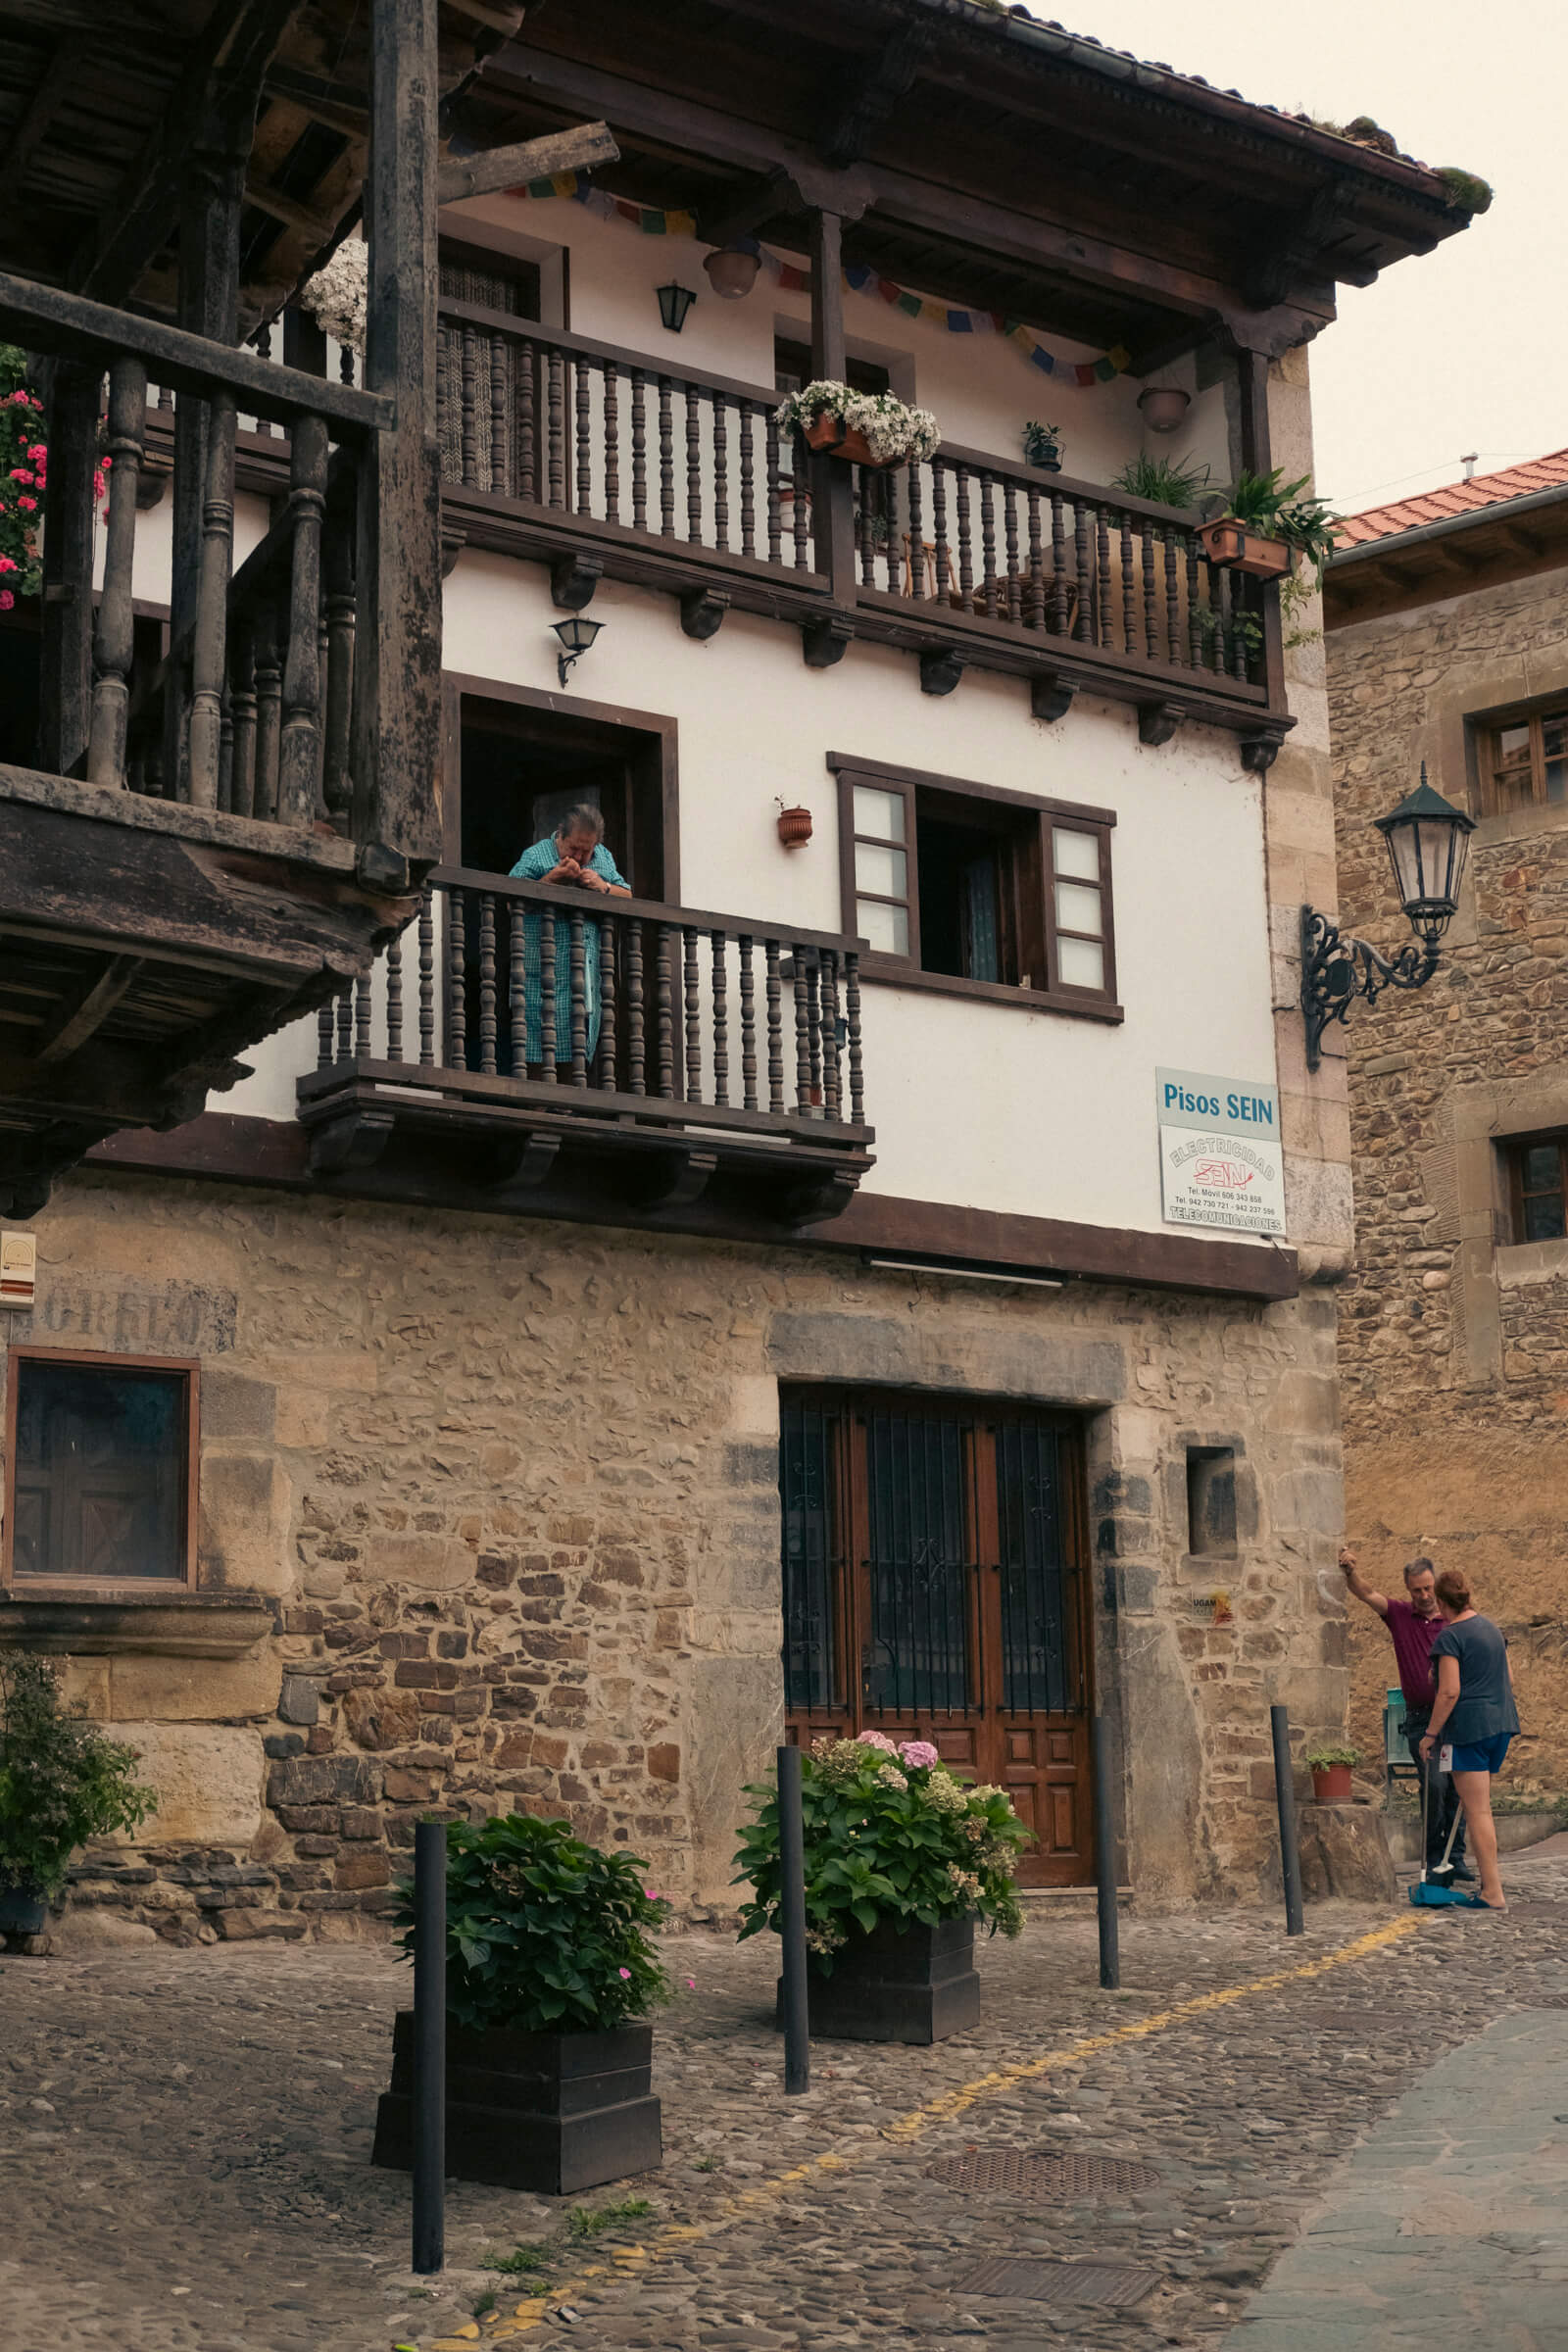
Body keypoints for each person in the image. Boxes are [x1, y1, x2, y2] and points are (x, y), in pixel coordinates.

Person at [1340, 1546, 1470, 1883]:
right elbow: (1366, 1593)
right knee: (1435, 1783)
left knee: (1457, 1785)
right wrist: (1350, 1571)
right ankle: (1432, 1857)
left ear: (1436, 1585)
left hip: (1454, 1717)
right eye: (1417, 1590)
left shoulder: (1453, 1620)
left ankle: (1454, 1857)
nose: (1425, 1596)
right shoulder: (1399, 1615)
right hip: (1419, 1720)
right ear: (1408, 1589)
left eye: (1429, 1588)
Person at [1420, 1569, 1520, 1913]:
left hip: (1468, 1730)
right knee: (1481, 1808)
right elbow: (1507, 1677)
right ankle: (1489, 1884)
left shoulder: (1449, 1637)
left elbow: (1449, 1691)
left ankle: (1492, 1891)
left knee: (1478, 1812)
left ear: (1442, 1602)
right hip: (1501, 1725)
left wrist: (1430, 1734)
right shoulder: (1493, 1630)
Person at [510, 806, 630, 1068]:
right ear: (560, 836)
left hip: (583, 970)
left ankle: (568, 1108)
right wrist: (552, 879)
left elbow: (628, 896)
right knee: (537, 1043)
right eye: (574, 849)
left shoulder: (603, 858)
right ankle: (538, 1108)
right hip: (542, 969)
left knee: (579, 1041)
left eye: (587, 850)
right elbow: (511, 901)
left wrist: (603, 886)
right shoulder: (537, 855)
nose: (581, 857)